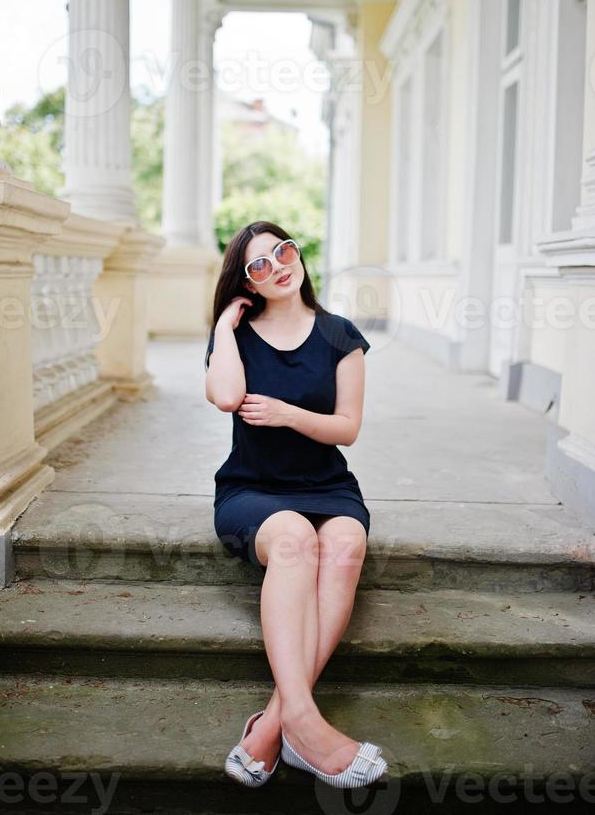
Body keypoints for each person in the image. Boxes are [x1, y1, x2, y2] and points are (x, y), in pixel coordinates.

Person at [204, 220, 387, 789]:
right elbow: (227, 397)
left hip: (327, 486)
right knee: (293, 540)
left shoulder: (339, 335)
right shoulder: (235, 336)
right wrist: (226, 329)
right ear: (247, 283)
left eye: (282, 251)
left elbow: (347, 428)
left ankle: (274, 722)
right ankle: (305, 723)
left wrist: (287, 414)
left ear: (297, 253)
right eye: (258, 264)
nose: (277, 265)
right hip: (251, 490)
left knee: (345, 542)